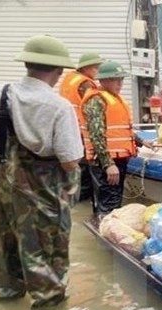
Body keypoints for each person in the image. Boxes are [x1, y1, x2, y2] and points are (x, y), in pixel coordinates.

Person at [0, 34, 83, 307]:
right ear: (59, 70)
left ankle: (8, 295)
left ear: (27, 63)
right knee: (45, 247)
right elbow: (70, 161)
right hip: (45, 188)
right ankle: (49, 308)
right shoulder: (59, 107)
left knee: (5, 241)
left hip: (5, 183)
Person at [79, 61, 152, 216]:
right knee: (108, 205)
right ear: (103, 80)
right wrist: (108, 164)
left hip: (117, 160)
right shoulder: (96, 101)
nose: (120, 83)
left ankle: (104, 230)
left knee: (113, 203)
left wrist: (141, 141)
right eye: (115, 79)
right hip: (105, 162)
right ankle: (104, 234)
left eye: (121, 79)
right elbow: (96, 134)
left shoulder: (113, 99)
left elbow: (120, 129)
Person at [59, 52, 104, 202]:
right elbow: (94, 108)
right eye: (96, 68)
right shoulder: (86, 84)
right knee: (86, 165)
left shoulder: (69, 78)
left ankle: (73, 197)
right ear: (87, 68)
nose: (98, 71)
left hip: (68, 127)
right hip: (81, 130)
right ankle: (83, 198)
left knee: (75, 164)